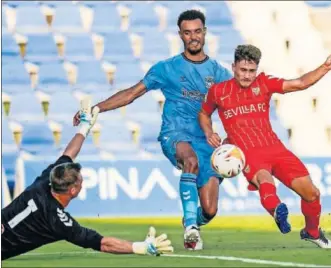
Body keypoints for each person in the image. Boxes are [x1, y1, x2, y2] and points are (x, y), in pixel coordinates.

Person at [72, 10, 232, 250]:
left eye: (197, 32)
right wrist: (97, 108)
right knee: (189, 160)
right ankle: (191, 229)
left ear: (205, 33)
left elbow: (236, 109)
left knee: (209, 210)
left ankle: (194, 220)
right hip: (175, 134)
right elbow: (132, 93)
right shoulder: (166, 68)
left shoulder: (219, 74)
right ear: (180, 35)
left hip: (205, 141)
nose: (193, 37)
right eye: (187, 33)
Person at [198, 44, 331, 249]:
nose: (247, 76)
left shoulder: (264, 83)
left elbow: (299, 83)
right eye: (243, 70)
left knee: (312, 194)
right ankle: (277, 212)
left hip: (276, 148)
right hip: (246, 152)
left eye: (251, 71)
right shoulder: (218, 91)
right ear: (233, 67)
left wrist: (325, 67)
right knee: (264, 180)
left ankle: (312, 232)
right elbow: (203, 113)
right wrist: (209, 132)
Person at [2, 102, 173, 260]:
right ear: (73, 191)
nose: (82, 181)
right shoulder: (57, 221)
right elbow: (102, 243)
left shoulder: (45, 181)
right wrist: (141, 247)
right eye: (81, 181)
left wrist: (85, 127)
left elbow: (69, 153)